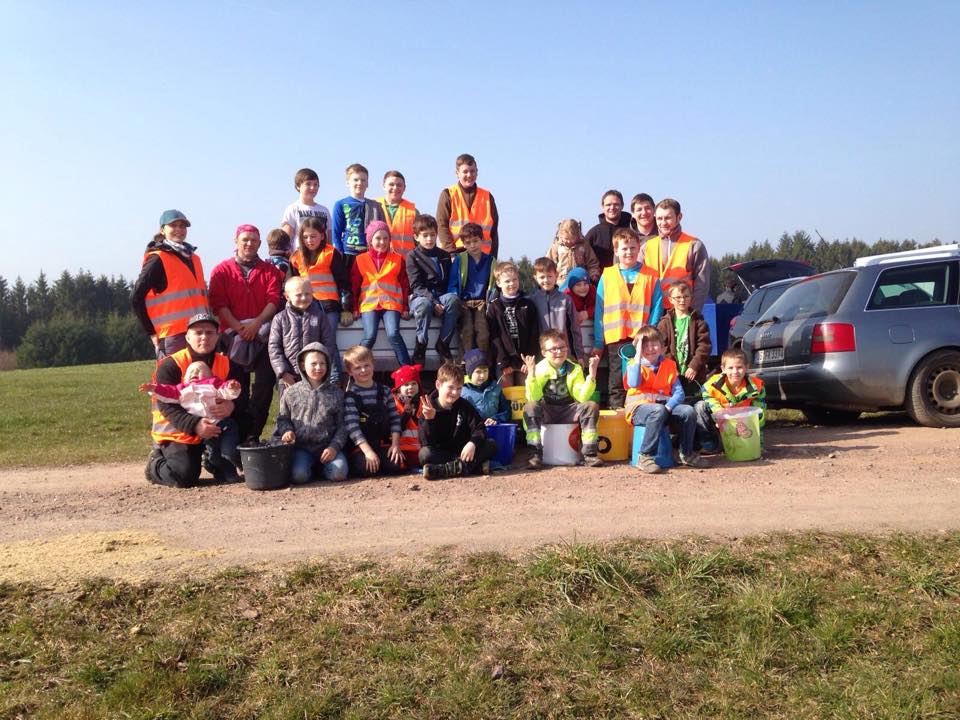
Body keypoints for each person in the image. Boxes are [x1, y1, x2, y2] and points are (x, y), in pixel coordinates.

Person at [144, 312, 240, 488]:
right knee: (183, 476)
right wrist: (195, 425)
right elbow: (166, 406)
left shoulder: (227, 363)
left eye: (210, 332)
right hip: (178, 429)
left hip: (217, 426)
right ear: (187, 337)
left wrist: (231, 405)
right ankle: (155, 464)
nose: (204, 337)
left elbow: (244, 397)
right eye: (198, 332)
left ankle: (214, 462)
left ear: (218, 336)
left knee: (242, 438)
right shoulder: (170, 364)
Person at [207, 224, 282, 442]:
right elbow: (218, 304)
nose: (249, 244)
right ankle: (236, 437)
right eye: (245, 240)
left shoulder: (270, 271)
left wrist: (256, 325)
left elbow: (274, 299)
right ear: (236, 241)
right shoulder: (221, 270)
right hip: (232, 338)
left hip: (263, 335)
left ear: (260, 243)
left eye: (254, 240)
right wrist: (240, 328)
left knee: (264, 389)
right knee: (236, 389)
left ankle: (253, 435)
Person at [591, 228, 664, 409]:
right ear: (616, 251)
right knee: (616, 381)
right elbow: (600, 311)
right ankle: (618, 415)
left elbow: (657, 305)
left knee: (641, 379)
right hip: (616, 338)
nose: (629, 252)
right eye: (624, 248)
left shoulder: (651, 275)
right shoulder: (606, 276)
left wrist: (650, 334)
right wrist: (599, 342)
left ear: (639, 248)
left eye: (632, 247)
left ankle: (640, 415)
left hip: (641, 339)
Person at [625, 325, 709, 474]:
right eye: (645, 345)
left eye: (654, 344)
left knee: (688, 411)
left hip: (663, 408)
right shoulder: (633, 364)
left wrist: (668, 407)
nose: (650, 348)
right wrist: (637, 356)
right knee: (658, 410)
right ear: (638, 347)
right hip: (638, 410)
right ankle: (644, 456)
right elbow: (633, 383)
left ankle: (686, 453)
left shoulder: (669, 365)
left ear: (662, 347)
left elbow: (679, 393)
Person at [131, 209, 210, 359]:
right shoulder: (157, 259)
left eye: (182, 226)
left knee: (200, 380)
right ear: (162, 230)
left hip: (200, 333)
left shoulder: (195, 258)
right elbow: (136, 297)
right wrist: (151, 333)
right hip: (173, 337)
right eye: (174, 226)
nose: (179, 230)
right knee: (172, 381)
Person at [522, 329, 603, 469]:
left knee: (591, 405)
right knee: (530, 407)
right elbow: (533, 397)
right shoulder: (539, 369)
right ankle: (534, 455)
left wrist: (592, 375)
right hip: (547, 410)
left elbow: (582, 397)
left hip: (568, 410)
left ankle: (590, 454)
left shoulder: (575, 368)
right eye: (553, 349)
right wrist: (531, 375)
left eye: (562, 347)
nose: (559, 352)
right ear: (543, 353)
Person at [275, 342, 349, 483]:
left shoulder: (337, 394)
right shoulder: (291, 392)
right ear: (303, 365)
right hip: (301, 448)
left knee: (339, 473)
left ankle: (322, 468)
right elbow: (283, 418)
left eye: (322, 363)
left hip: (328, 447)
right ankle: (309, 468)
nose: (318, 367)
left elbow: (343, 426)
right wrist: (287, 431)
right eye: (313, 363)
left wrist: (334, 447)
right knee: (299, 476)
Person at [289, 217, 352, 379]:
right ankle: (311, 380)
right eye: (305, 237)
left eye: (313, 236)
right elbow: (290, 286)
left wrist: (346, 309)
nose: (309, 240)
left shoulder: (330, 253)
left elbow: (343, 282)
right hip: (307, 307)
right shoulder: (296, 257)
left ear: (322, 236)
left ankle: (335, 379)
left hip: (330, 306)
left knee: (329, 341)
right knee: (310, 343)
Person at [418, 362, 498, 479]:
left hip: (463, 452)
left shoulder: (464, 405)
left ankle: (444, 470)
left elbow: (479, 428)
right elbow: (426, 443)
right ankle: (471, 467)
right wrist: (429, 420)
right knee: (425, 454)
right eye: (450, 387)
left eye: (459, 388)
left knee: (491, 444)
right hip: (441, 454)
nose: (455, 393)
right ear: (438, 385)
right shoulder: (428, 407)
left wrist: (472, 443)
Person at [351, 221, 412, 366]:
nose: (382, 242)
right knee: (369, 336)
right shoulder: (360, 259)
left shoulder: (398, 259)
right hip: (369, 305)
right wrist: (354, 308)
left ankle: (408, 370)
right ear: (370, 240)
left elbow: (404, 285)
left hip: (391, 304)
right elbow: (354, 286)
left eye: (385, 238)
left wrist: (405, 307)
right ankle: (355, 367)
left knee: (393, 334)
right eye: (378, 238)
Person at [342, 345, 405, 478]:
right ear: (349, 371)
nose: (363, 370)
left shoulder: (385, 391)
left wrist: (395, 445)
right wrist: (368, 452)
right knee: (365, 469)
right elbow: (352, 428)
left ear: (373, 365)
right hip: (360, 448)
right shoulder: (350, 395)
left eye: (366, 365)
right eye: (357, 368)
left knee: (397, 465)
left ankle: (380, 461)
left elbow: (395, 419)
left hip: (381, 444)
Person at [406, 214, 461, 364]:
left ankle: (443, 343)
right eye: (425, 236)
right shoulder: (412, 256)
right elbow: (416, 285)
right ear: (416, 237)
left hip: (440, 295)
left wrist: (444, 299)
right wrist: (434, 302)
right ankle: (421, 345)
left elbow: (449, 281)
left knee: (454, 300)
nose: (429, 239)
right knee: (424, 304)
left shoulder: (444, 255)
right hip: (421, 296)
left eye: (432, 235)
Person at [269, 276, 339, 390]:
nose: (304, 297)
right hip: (289, 376)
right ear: (287, 297)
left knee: (314, 406)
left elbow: (328, 343)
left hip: (314, 375)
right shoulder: (279, 318)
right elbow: (274, 348)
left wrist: (320, 367)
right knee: (289, 406)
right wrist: (283, 372)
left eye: (307, 294)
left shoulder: (320, 316)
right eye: (298, 295)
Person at [642, 198, 711, 312]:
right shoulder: (646, 248)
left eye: (668, 218)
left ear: (679, 217)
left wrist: (692, 315)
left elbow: (701, 285)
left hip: (683, 313)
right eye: (659, 218)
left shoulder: (694, 245)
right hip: (654, 314)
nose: (663, 223)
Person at [697, 347, 766, 449]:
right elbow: (705, 394)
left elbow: (760, 416)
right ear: (723, 368)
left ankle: (742, 441)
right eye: (730, 368)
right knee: (699, 406)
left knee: (741, 444)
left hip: (741, 422)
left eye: (739, 367)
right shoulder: (712, 384)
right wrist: (719, 411)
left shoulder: (757, 387)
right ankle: (709, 444)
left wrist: (758, 444)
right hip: (718, 419)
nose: (735, 372)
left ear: (747, 367)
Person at [656, 280, 712, 398]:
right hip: (672, 376)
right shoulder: (664, 323)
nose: (682, 300)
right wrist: (671, 368)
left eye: (686, 296)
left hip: (694, 375)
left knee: (695, 404)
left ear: (691, 298)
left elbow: (704, 346)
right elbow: (662, 348)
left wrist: (694, 366)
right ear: (670, 300)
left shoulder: (699, 322)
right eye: (678, 297)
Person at [487, 261, 539, 386]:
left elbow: (534, 334)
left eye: (515, 280)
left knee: (526, 389)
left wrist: (528, 360)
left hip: (524, 360)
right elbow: (495, 337)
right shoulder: (494, 306)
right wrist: (503, 362)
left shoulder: (528, 304)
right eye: (507, 281)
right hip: (505, 361)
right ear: (498, 283)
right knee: (506, 390)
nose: (512, 284)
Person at [436, 153, 499, 256]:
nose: (469, 175)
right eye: (465, 172)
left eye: (472, 171)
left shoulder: (488, 197)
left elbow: (494, 232)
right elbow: (441, 226)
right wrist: (451, 253)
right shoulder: (447, 195)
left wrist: (493, 259)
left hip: (483, 257)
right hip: (456, 255)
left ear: (477, 172)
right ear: (457, 173)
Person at [448, 222, 496, 356]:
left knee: (483, 332)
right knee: (466, 331)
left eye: (475, 241)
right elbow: (453, 283)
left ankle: (482, 363)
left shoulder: (491, 261)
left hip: (482, 302)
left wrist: (491, 300)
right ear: (463, 244)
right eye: (468, 242)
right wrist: (456, 299)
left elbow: (494, 285)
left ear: (482, 240)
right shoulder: (460, 260)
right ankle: (467, 362)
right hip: (464, 302)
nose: (472, 245)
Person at [530, 256, 585, 364]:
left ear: (556, 275)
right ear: (535, 277)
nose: (546, 280)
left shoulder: (566, 300)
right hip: (542, 358)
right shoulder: (531, 301)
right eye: (542, 277)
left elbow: (575, 329)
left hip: (564, 355)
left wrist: (579, 355)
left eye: (549, 276)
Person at [332, 163, 385, 271]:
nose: (359, 183)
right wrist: (340, 255)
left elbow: (383, 231)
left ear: (367, 183)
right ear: (348, 182)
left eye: (363, 180)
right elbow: (336, 234)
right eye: (355, 180)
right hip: (348, 254)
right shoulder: (341, 204)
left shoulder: (376, 206)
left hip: (369, 254)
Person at [281, 168, 332, 251]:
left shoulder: (324, 210)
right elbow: (286, 238)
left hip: (322, 257)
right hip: (300, 256)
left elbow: (329, 236)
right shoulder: (293, 209)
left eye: (315, 184)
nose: (312, 188)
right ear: (298, 186)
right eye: (308, 184)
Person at [461, 349, 510, 426]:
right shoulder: (463, 391)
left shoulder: (496, 388)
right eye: (478, 372)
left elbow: (506, 411)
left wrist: (495, 419)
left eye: (485, 371)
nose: (482, 375)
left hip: (493, 430)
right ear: (469, 373)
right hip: (473, 433)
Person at [584, 190, 632, 269]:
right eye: (608, 205)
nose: (612, 208)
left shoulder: (631, 229)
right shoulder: (594, 233)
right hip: (601, 280)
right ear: (602, 207)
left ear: (622, 206)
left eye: (616, 204)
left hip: (630, 278)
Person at [546, 218, 601, 287]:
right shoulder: (556, 247)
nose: (569, 241)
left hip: (581, 282)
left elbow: (592, 263)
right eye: (566, 239)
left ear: (577, 236)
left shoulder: (584, 246)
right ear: (561, 236)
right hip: (561, 283)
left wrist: (594, 274)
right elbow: (548, 264)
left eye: (572, 239)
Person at [376, 170, 419, 257]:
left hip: (404, 264)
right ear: (383, 186)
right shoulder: (373, 207)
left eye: (399, 185)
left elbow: (420, 241)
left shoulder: (413, 211)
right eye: (391, 184)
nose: (395, 188)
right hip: (378, 263)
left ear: (404, 188)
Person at [391, 363, 425, 469]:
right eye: (406, 384)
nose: (410, 387)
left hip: (420, 448)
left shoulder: (423, 401)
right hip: (401, 448)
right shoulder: (393, 403)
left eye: (414, 383)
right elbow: (393, 428)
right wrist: (405, 415)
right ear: (398, 388)